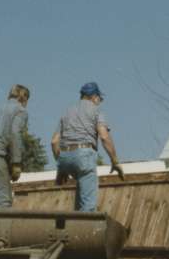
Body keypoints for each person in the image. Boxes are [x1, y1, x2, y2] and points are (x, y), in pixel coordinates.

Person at [51, 82, 124, 211]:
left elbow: (54, 141)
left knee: (81, 199)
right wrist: (114, 161)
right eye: (100, 99)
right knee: (88, 207)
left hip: (64, 157)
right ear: (95, 97)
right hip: (84, 155)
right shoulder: (96, 110)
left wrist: (61, 166)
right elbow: (104, 136)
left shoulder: (67, 112)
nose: (99, 102)